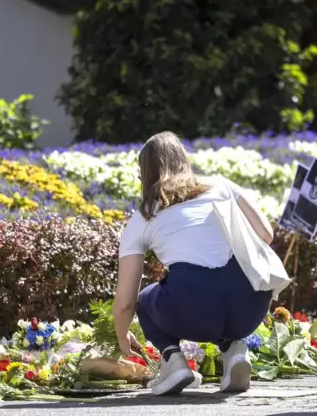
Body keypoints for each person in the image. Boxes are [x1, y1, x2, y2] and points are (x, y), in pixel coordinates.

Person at [113, 131, 274, 396]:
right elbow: (266, 234)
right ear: (183, 160)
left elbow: (126, 301)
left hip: (194, 309)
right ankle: (235, 351)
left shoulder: (143, 216)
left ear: (146, 173)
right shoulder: (223, 186)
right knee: (219, 291)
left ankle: (173, 362)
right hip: (252, 304)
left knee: (146, 298)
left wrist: (121, 336)